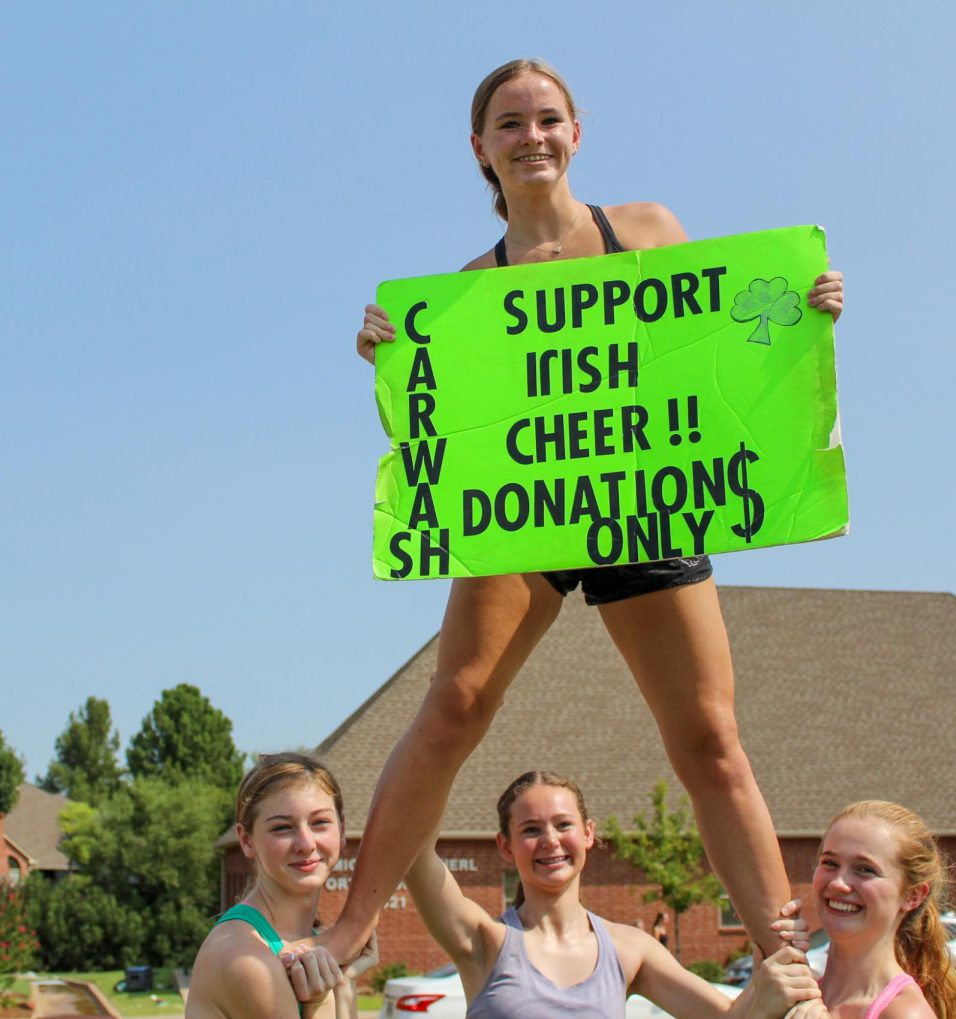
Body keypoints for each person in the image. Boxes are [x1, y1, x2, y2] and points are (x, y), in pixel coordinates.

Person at [334, 56, 845, 965]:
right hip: (528, 511)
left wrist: (802, 312)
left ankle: (784, 960)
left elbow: (717, 346)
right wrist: (391, 349)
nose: (532, 137)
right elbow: (443, 424)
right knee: (452, 703)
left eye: (547, 119)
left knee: (709, 738)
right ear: (479, 150)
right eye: (510, 124)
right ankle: (348, 925)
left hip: (643, 503)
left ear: (577, 132)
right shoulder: (464, 293)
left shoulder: (646, 229)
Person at [404, 769, 819, 1018]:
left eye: (563, 825)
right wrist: (449, 738)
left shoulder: (628, 949)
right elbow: (413, 848)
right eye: (531, 829)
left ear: (588, 834)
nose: (550, 840)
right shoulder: (485, 941)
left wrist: (771, 968)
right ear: (505, 846)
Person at [187, 754, 377, 1019]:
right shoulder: (245, 958)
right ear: (246, 840)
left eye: (320, 822)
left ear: (342, 829)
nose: (306, 843)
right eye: (282, 828)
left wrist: (344, 983)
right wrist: (320, 1001)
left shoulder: (310, 940)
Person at [778, 800, 956, 1019]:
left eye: (865, 869)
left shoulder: (905, 1013)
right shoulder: (795, 992)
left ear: (913, 896)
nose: (839, 883)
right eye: (830, 863)